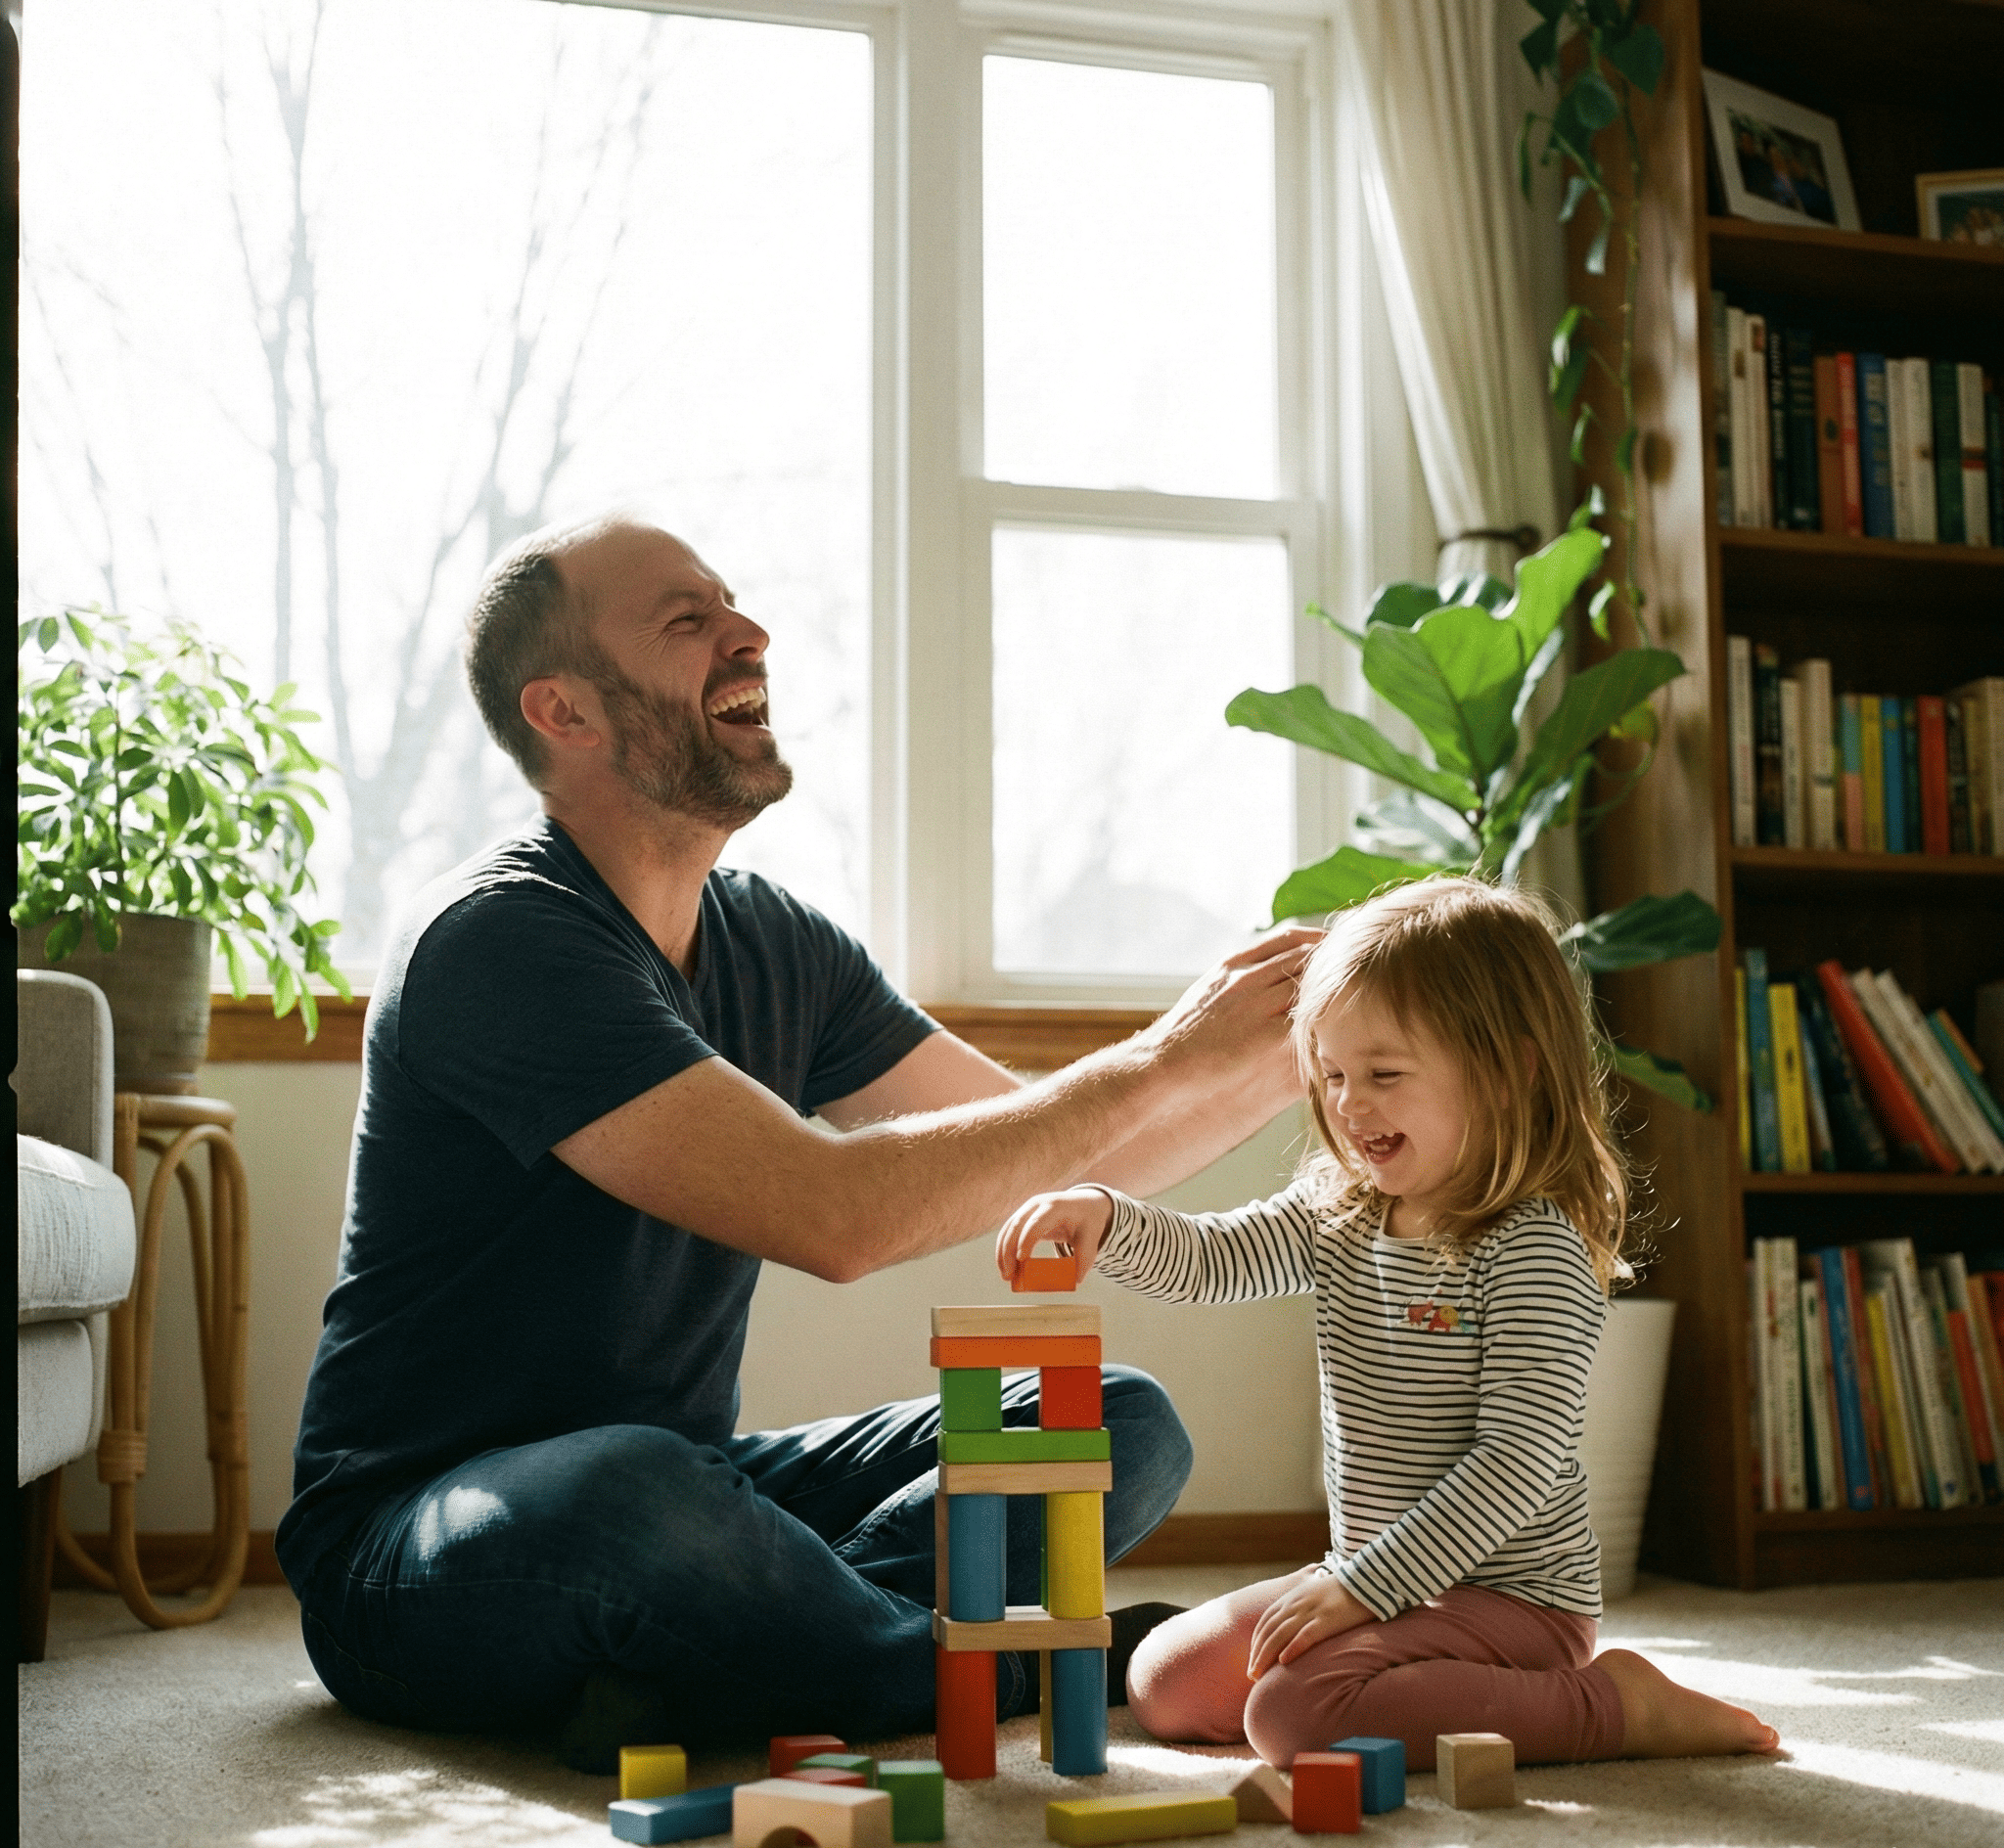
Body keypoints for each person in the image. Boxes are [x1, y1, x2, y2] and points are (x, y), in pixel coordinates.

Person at [276, 515, 1316, 1768]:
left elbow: (1052, 1165)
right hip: (425, 1545)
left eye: (732, 602)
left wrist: (1299, 1065)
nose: (748, 632)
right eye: (685, 619)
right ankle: (1009, 1655)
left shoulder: (775, 941)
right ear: (564, 711)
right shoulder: (500, 941)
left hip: (694, 1487)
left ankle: (736, 1655)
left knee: (1107, 1420)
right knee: (630, 1488)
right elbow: (835, 1215)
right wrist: (1157, 1053)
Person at [996, 876, 1782, 1771]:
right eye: (1330, 1074)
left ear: (1511, 1068)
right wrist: (1108, 1217)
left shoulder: (1534, 1249)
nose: (1347, 1104)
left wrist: (1362, 1588)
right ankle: (1391, 1666)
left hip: (1514, 1600)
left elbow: (1516, 1462)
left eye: (1384, 1075)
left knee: (1295, 1719)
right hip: (1380, 1582)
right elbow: (1218, 1259)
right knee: (1167, 1681)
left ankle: (1611, 1705)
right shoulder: (1343, 1211)